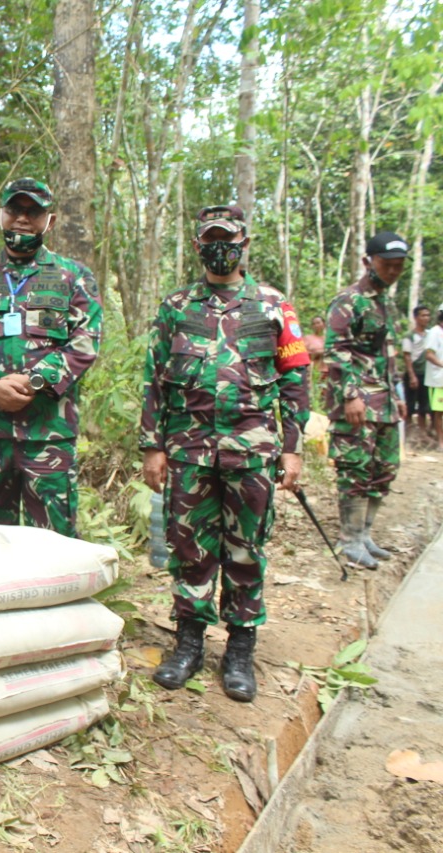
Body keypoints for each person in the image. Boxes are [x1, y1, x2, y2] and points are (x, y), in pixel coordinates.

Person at [140, 204, 310, 703]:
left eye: (228, 239)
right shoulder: (176, 306)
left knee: (244, 550)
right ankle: (189, 643)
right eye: (210, 239)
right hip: (190, 450)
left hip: (252, 450)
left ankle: (239, 649)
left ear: (244, 243)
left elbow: (295, 381)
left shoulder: (274, 305)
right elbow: (154, 378)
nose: (220, 247)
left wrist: (294, 451)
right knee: (189, 549)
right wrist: (153, 445)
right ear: (198, 246)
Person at [0, 177, 102, 537]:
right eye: (15, 209)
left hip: (49, 433)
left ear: (51, 220)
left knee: (55, 543)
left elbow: (85, 341)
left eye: (34, 211)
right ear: (0, 215)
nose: (23, 219)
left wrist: (35, 381)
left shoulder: (73, 277)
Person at [325, 231, 410, 569]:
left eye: (399, 266)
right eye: (387, 265)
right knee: (355, 469)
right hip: (358, 402)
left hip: (385, 402)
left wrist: (398, 392)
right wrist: (350, 395)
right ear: (368, 261)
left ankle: (365, 534)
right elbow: (336, 350)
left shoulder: (386, 302)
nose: (392, 271)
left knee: (384, 468)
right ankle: (349, 538)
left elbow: (388, 353)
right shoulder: (349, 300)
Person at [401, 305, 433, 442]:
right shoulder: (409, 336)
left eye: (427, 315)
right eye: (423, 315)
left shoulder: (431, 334)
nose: (426, 318)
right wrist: (412, 376)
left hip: (427, 374)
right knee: (410, 403)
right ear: (416, 318)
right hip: (414, 373)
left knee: (424, 404)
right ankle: (408, 432)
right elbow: (407, 356)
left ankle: (423, 432)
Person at [424, 309, 443, 450]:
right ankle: (441, 442)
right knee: (439, 412)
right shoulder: (435, 332)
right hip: (438, 379)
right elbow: (429, 354)